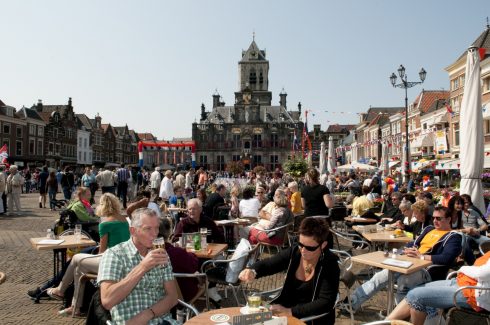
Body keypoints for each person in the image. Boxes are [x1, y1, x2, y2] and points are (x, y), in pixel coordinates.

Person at [348, 207, 462, 312]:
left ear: (448, 219)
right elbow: (413, 243)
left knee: (404, 281)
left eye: (439, 218)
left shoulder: (453, 236)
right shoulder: (429, 229)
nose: (435, 221)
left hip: (426, 270)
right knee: (379, 277)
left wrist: (420, 256)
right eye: (433, 218)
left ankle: (397, 316)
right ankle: (351, 303)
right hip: (408, 262)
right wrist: (407, 249)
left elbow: (447, 258)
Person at [239, 217, 340, 324]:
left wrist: (291, 311)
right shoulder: (294, 252)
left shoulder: (330, 264)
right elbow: (269, 264)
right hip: (284, 312)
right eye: (300, 244)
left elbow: (325, 302)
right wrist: (252, 270)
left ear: (323, 245)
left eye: (310, 248)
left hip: (311, 318)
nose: (303, 250)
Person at [47, 193, 130, 316]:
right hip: (124, 258)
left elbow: (102, 251)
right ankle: (75, 306)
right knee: (79, 267)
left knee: (76, 258)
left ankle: (61, 291)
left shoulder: (105, 224)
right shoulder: (124, 220)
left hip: (110, 260)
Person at [98, 208, 178, 324]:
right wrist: (142, 267)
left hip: (163, 321)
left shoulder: (160, 253)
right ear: (133, 231)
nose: (155, 233)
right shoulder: (114, 255)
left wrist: (149, 313)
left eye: (156, 228)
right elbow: (107, 301)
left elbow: (172, 297)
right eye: (148, 229)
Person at [387, 251, 490, 325]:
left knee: (416, 296)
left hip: (473, 293)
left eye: (438, 218)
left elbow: (483, 273)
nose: (435, 221)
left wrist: (463, 268)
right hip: (465, 283)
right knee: (413, 292)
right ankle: (385, 322)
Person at [158, 217, 199, 303]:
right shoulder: (176, 253)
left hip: (160, 297)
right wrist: (185, 252)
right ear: (169, 232)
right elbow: (194, 265)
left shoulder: (148, 253)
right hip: (183, 295)